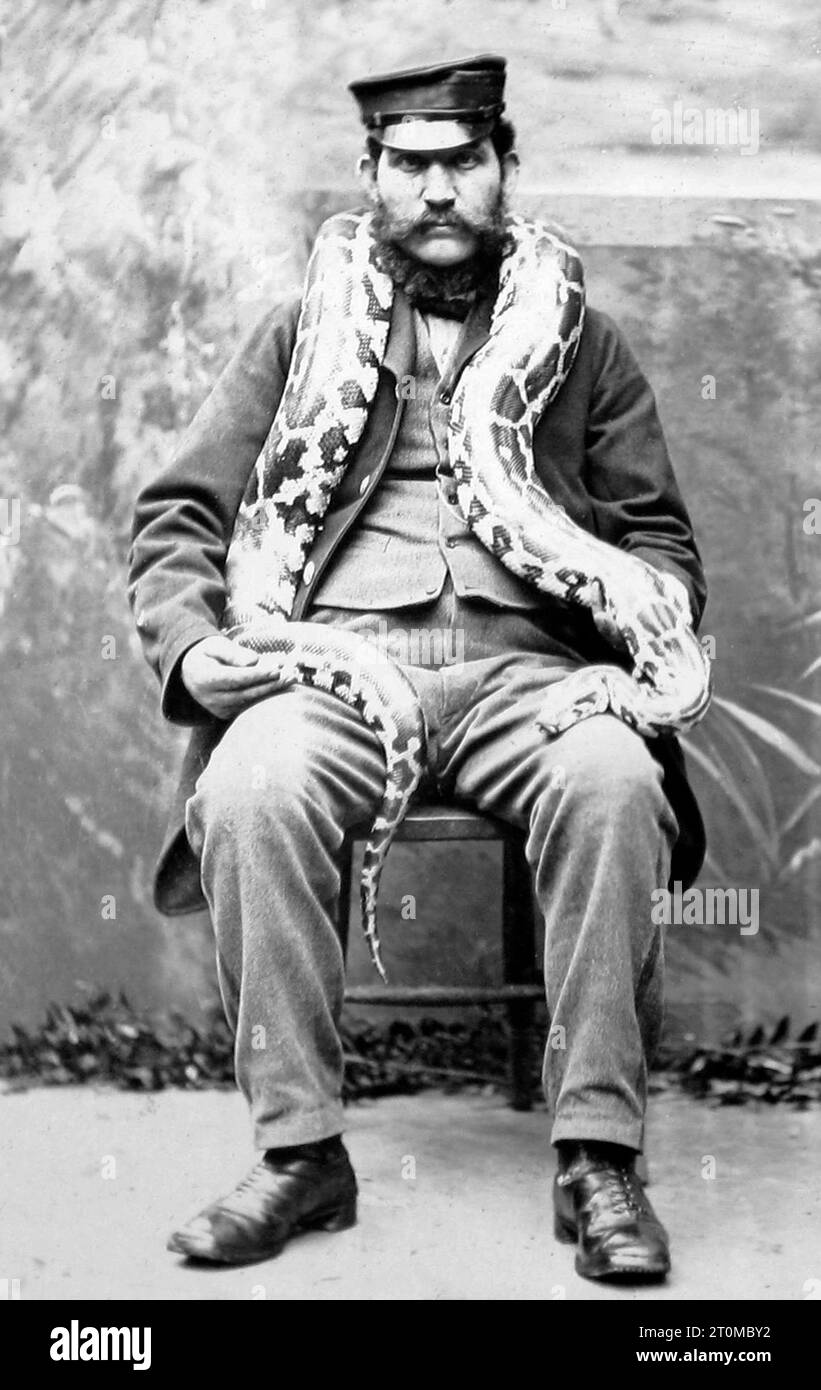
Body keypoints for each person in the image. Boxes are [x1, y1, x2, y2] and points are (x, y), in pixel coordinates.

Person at [127, 53, 708, 1282]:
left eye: (463, 163)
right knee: (247, 791)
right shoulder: (300, 329)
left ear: (503, 171)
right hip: (332, 662)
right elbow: (176, 518)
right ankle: (300, 1153)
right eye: (411, 166)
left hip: (530, 674)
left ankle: (597, 1151)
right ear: (372, 177)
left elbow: (656, 538)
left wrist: (648, 632)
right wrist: (194, 651)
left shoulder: (581, 344)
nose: (438, 191)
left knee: (612, 783)